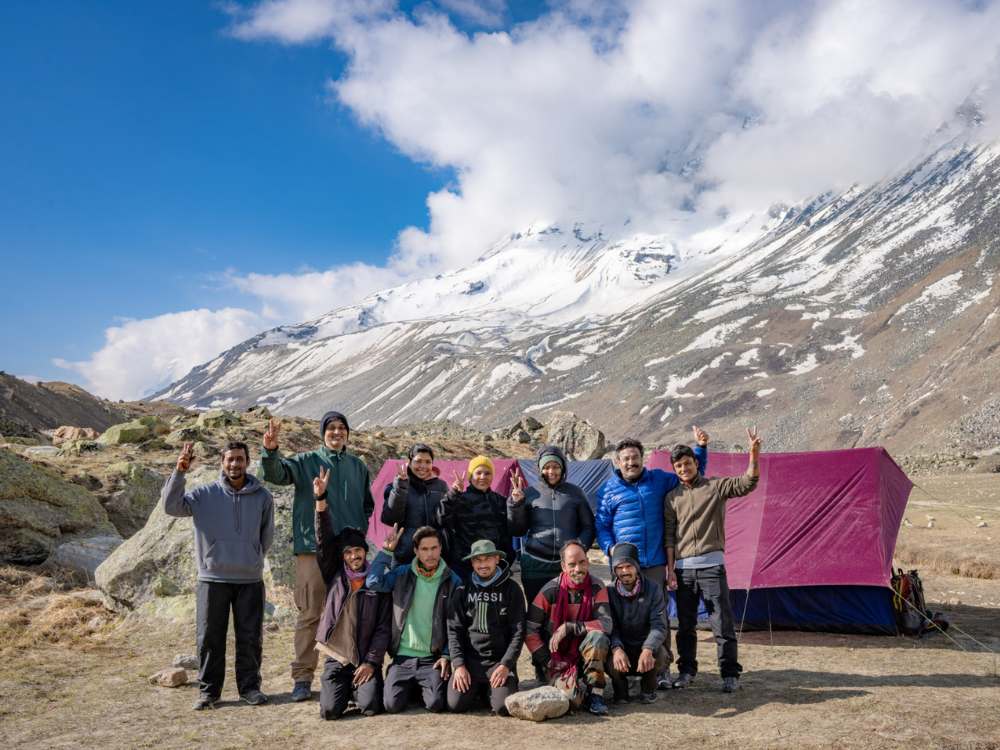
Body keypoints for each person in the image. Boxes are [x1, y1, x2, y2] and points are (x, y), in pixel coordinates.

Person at [260, 411, 374, 702]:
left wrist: (357, 532)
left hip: (348, 554)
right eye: (331, 428)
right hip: (312, 548)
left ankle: (343, 677)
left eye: (341, 428)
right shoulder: (306, 461)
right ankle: (302, 677)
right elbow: (276, 474)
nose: (336, 433)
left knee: (349, 612)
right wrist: (270, 451)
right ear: (322, 433)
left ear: (348, 434)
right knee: (311, 613)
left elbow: (367, 505)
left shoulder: (358, 467)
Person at [162, 441, 274, 711]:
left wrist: (253, 556)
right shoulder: (204, 495)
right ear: (221, 463)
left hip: (249, 579)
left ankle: (250, 688)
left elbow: (266, 535)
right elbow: (170, 506)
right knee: (210, 638)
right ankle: (209, 692)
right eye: (230, 459)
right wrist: (180, 472)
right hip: (212, 579)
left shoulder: (263, 497)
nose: (235, 464)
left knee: (250, 638)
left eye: (240, 459)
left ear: (248, 462)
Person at [595, 427, 708, 688]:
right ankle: (628, 668)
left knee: (660, 617)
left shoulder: (659, 480)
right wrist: (610, 548)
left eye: (635, 458)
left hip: (655, 562)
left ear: (642, 458)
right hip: (623, 565)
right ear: (617, 462)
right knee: (624, 617)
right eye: (626, 459)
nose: (631, 463)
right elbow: (601, 525)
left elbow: (689, 473)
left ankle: (661, 670)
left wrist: (700, 448)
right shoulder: (608, 490)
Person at [665, 427, 762, 693]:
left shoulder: (716, 487)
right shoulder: (672, 498)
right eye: (679, 466)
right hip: (683, 571)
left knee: (722, 623)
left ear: (697, 463)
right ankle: (686, 672)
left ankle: (729, 673)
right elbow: (670, 536)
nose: (684, 468)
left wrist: (753, 454)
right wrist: (671, 570)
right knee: (685, 627)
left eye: (687, 463)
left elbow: (747, 483)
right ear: (675, 469)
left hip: (712, 568)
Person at [313, 467, 391, 720]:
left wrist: (371, 662)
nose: (354, 556)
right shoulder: (335, 575)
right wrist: (320, 501)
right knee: (329, 712)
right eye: (348, 553)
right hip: (338, 657)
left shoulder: (375, 582)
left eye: (358, 551)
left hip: (365, 658)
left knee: (370, 707)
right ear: (342, 556)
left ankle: (360, 689)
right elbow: (324, 541)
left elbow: (383, 627)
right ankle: (342, 691)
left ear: (365, 552)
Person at [366, 524, 461, 713]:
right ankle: (401, 680)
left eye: (434, 548)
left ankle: (421, 686)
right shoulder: (402, 574)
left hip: (431, 659)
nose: (430, 554)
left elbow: (455, 623)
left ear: (441, 548)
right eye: (424, 549)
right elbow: (373, 582)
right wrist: (386, 551)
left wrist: (446, 654)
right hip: (402, 657)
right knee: (391, 705)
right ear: (416, 551)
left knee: (435, 704)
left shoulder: (452, 580)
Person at [524, 540, 613, 716]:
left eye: (582, 562)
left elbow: (606, 624)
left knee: (598, 637)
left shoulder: (597, 587)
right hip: (555, 659)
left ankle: (595, 693)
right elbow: (530, 630)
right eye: (572, 564)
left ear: (588, 561)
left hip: (585, 654)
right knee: (571, 701)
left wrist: (570, 627)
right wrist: (546, 660)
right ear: (563, 566)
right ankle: (571, 689)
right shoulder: (549, 591)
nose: (578, 569)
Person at [508, 444, 595, 606]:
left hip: (567, 565)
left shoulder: (575, 493)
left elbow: (588, 526)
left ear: (562, 468)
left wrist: (578, 550)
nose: (551, 471)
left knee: (569, 610)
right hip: (535, 565)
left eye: (555, 467)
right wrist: (516, 504)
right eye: (547, 467)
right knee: (537, 611)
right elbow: (517, 530)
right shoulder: (529, 493)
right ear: (540, 469)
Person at [447, 539, 526, 716]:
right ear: (472, 562)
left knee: (502, 708)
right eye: (478, 560)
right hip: (470, 662)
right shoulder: (462, 589)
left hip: (498, 663)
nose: (483, 564)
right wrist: (459, 665)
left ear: (497, 559)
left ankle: (491, 691)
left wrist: (506, 665)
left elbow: (518, 632)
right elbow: (454, 629)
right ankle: (480, 690)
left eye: (487, 559)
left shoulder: (512, 589)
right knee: (455, 704)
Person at [606, 542, 670, 705]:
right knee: (608, 659)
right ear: (614, 570)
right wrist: (617, 648)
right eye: (619, 567)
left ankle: (648, 690)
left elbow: (659, 625)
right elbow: (609, 626)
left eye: (629, 566)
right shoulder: (609, 592)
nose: (625, 571)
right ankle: (620, 692)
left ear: (637, 566)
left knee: (660, 655)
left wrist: (648, 648)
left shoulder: (653, 589)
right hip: (623, 648)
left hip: (644, 648)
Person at [438, 455, 518, 580]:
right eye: (478, 473)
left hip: (494, 568)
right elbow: (441, 519)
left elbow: (512, 530)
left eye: (487, 473)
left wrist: (517, 503)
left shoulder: (500, 501)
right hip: (464, 567)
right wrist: (453, 494)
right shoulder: (459, 499)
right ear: (470, 476)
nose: (483, 477)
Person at [380, 443, 450, 565]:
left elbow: (445, 519)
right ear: (410, 461)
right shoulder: (396, 486)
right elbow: (390, 519)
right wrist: (401, 488)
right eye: (418, 461)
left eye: (428, 462)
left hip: (433, 555)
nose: (423, 466)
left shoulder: (441, 486)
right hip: (405, 555)